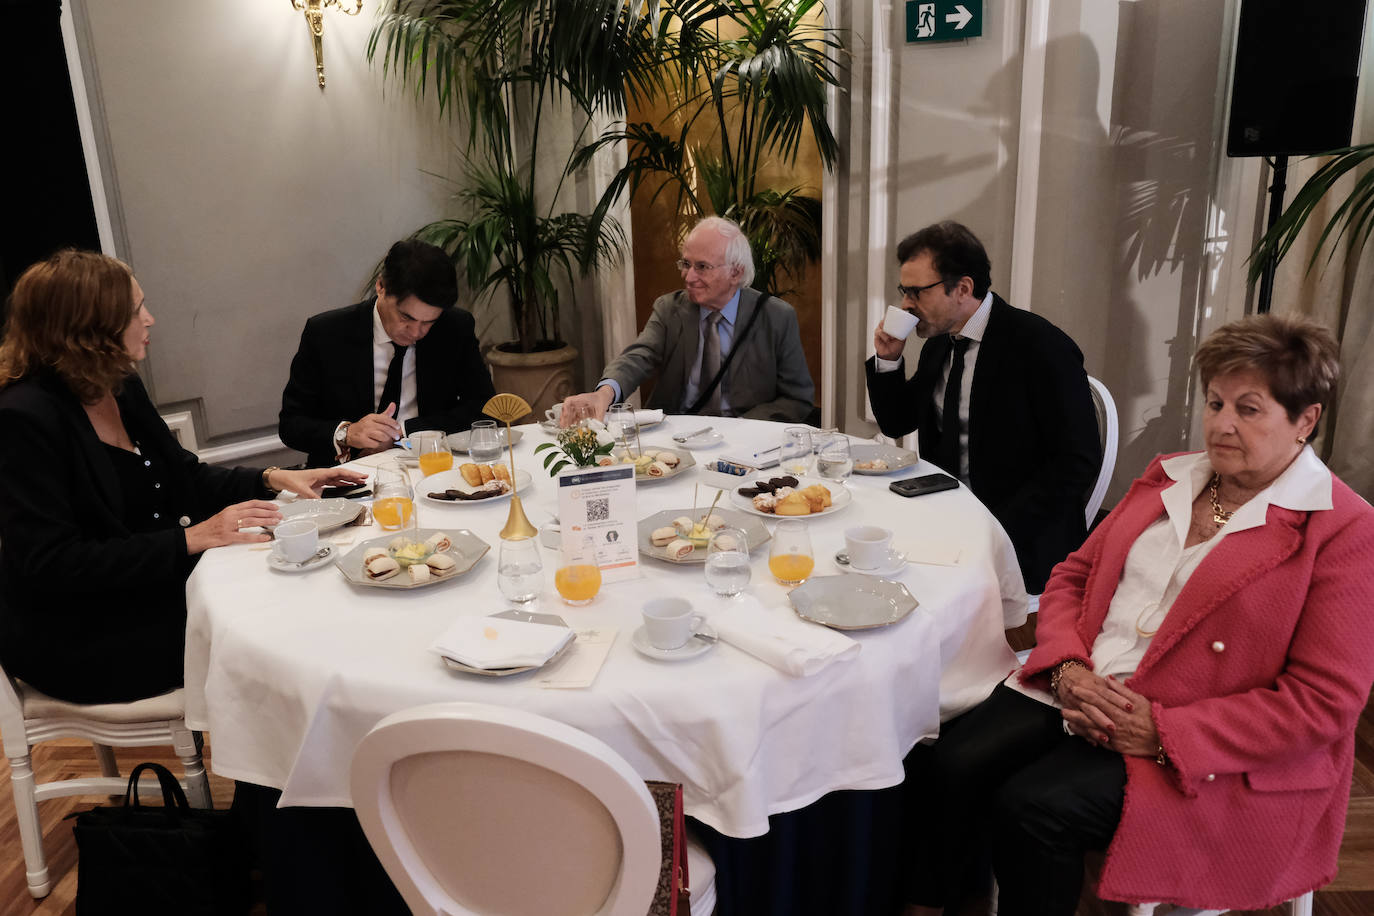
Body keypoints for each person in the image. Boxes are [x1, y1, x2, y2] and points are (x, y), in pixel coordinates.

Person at [902, 315, 1374, 916]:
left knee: (1033, 807)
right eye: (1215, 402)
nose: (1222, 424)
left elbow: (1324, 702)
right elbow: (1074, 575)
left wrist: (1166, 732)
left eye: (1249, 409)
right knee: (953, 761)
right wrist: (1068, 666)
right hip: (1086, 683)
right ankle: (938, 902)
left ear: (1305, 420)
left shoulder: (1342, 530)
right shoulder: (1171, 475)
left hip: (1198, 736)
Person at [0, 250, 365, 704]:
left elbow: (183, 475)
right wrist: (190, 539)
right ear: (89, 329)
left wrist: (274, 478)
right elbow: (52, 563)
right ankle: (266, 771)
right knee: (263, 641)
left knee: (294, 592)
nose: (149, 319)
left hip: (151, 592)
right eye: (135, 311)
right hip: (81, 633)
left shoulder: (118, 384)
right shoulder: (24, 418)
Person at [866, 221, 1100, 593]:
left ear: (962, 288)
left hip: (1020, 536)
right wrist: (889, 361)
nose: (906, 303)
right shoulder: (940, 345)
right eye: (903, 290)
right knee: (865, 556)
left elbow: (1078, 461)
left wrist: (991, 527)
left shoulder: (1038, 346)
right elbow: (896, 422)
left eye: (916, 292)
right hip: (946, 517)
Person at [557, 216, 814, 426]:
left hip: (746, 442)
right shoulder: (670, 309)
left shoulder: (776, 317)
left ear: (736, 272)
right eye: (686, 263)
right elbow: (637, 357)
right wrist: (604, 393)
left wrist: (743, 428)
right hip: (677, 437)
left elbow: (797, 398)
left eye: (702, 266)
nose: (688, 277)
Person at [279, 239, 496, 468]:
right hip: (346, 477)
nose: (416, 332)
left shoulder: (454, 328)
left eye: (429, 322)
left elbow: (485, 409)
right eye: (406, 318)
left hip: (431, 468)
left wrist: (402, 432)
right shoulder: (327, 334)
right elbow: (291, 424)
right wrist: (347, 433)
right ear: (381, 286)